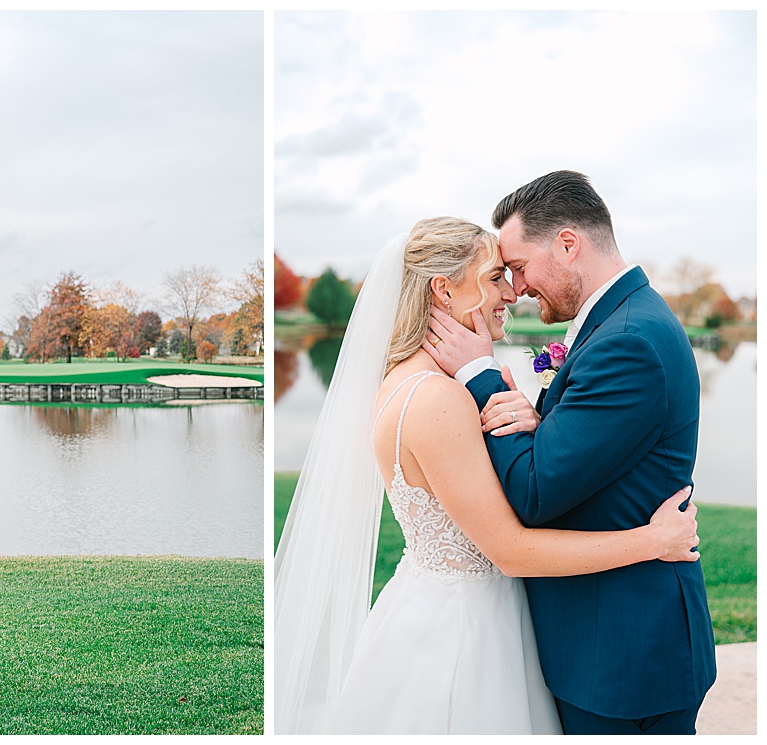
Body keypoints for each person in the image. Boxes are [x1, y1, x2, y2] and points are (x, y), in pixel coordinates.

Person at [273, 216, 699, 734]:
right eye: (497, 276)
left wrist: (536, 422)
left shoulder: (406, 379)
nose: (511, 293)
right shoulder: (437, 398)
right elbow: (511, 550)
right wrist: (652, 541)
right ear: (443, 289)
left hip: (457, 615)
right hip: (461, 636)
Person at [424, 171, 716, 735]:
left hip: (624, 656)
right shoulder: (622, 323)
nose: (517, 287)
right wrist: (542, 421)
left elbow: (535, 492)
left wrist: (480, 375)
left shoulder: (627, 341)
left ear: (566, 243)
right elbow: (594, 448)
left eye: (518, 266)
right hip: (610, 643)